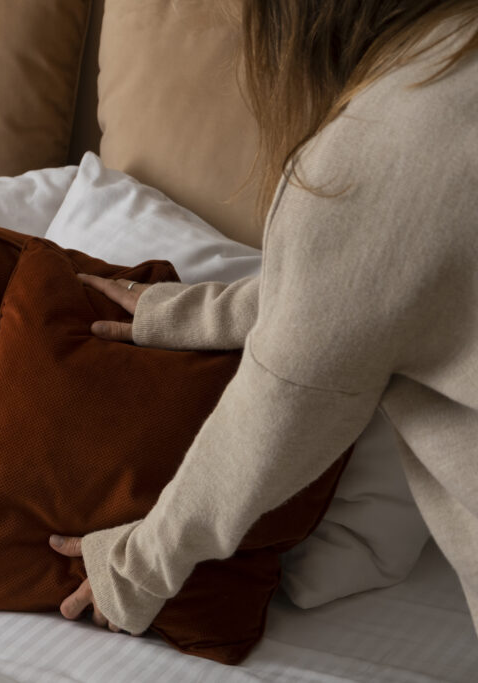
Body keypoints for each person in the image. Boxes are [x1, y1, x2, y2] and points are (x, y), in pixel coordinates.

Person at [49, 0, 478, 638]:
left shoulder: (369, 153)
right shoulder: (453, 71)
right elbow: (385, 283)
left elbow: (280, 408)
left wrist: (137, 569)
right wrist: (189, 311)